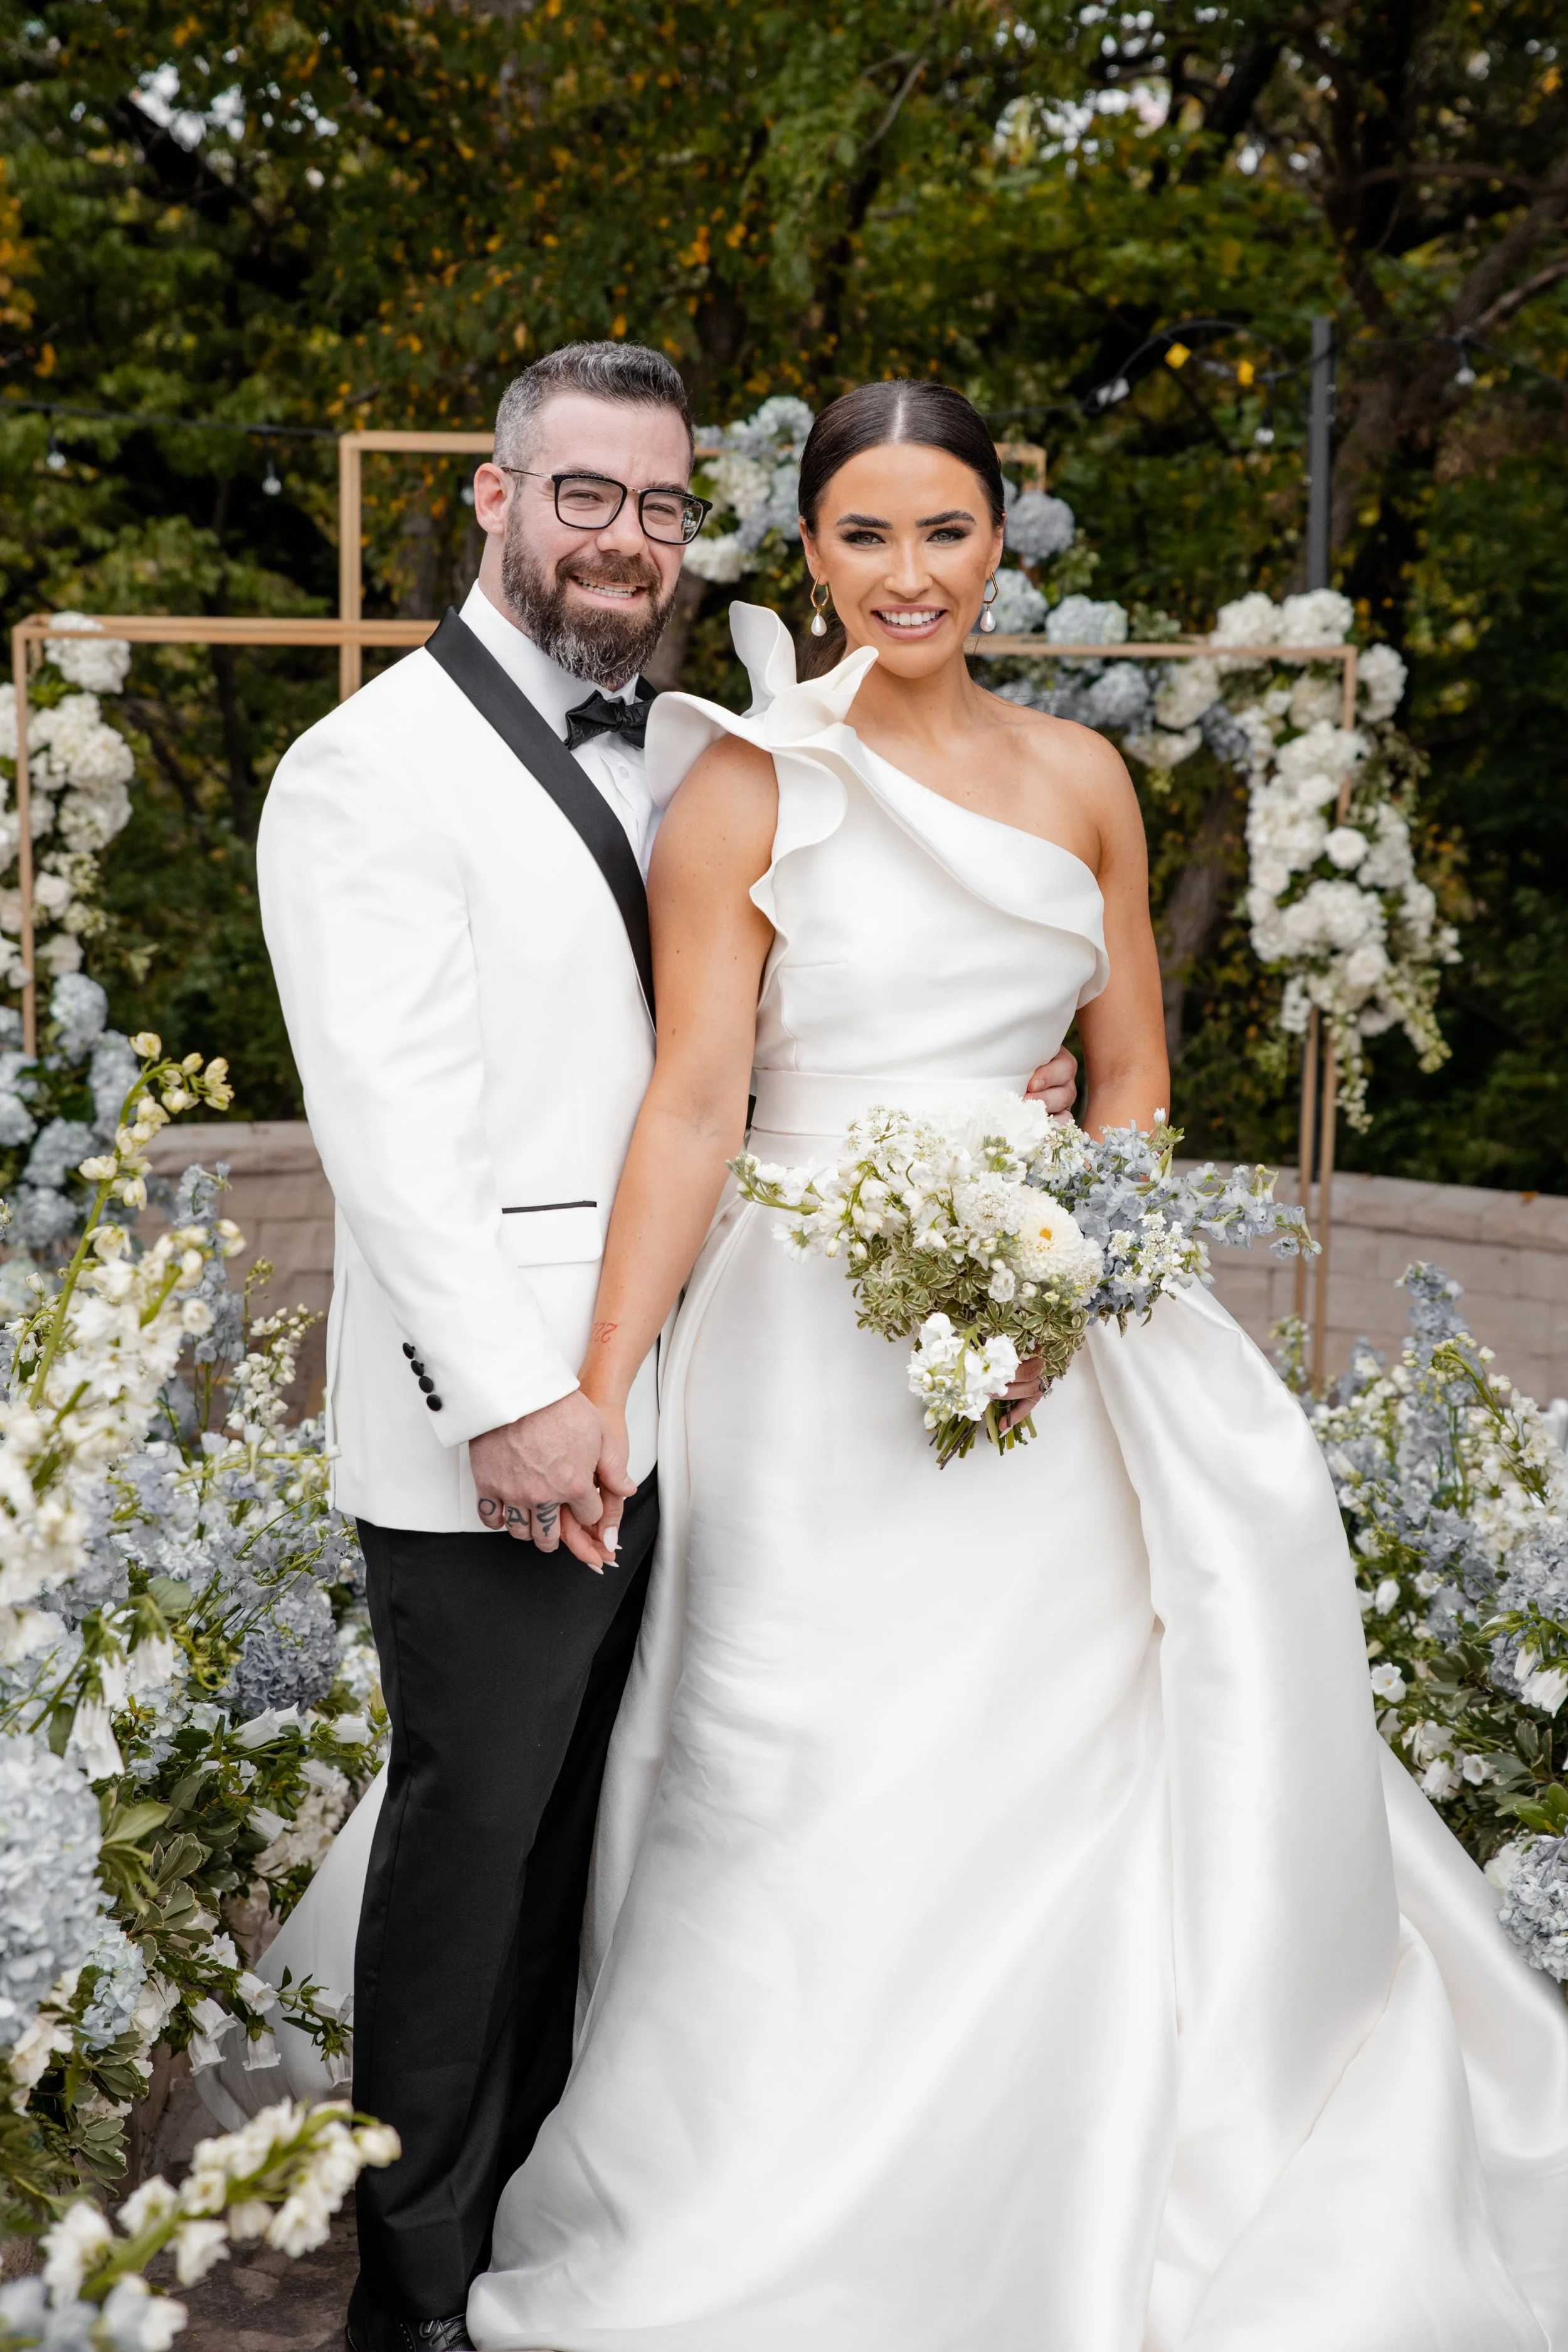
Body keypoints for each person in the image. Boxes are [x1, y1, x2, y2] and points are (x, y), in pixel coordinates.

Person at [464, 381, 1568, 2351]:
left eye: (945, 531)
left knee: (1068, 1748)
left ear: (998, 541)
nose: (908, 575)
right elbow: (693, 1098)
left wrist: (1072, 1273)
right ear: (809, 551)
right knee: (798, 1759)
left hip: (1057, 1333)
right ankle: (769, 2193)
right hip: (805, 1344)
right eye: (864, 535)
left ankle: (1074, 2172)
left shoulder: (1081, 778)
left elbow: (1129, 1075)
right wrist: (605, 1378)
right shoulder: (747, 785)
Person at [255, 348, 1078, 2352]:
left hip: (717, 1381)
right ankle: (411, 2286)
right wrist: (515, 1402)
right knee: (476, 1847)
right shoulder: (365, 772)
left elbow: (768, 1026)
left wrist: (980, 1087)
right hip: (512, 1417)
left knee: (607, 1842)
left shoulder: (706, 745)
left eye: (655, 504)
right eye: (582, 494)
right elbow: (391, 1133)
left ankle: (535, 2223)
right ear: (493, 498)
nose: (622, 538)